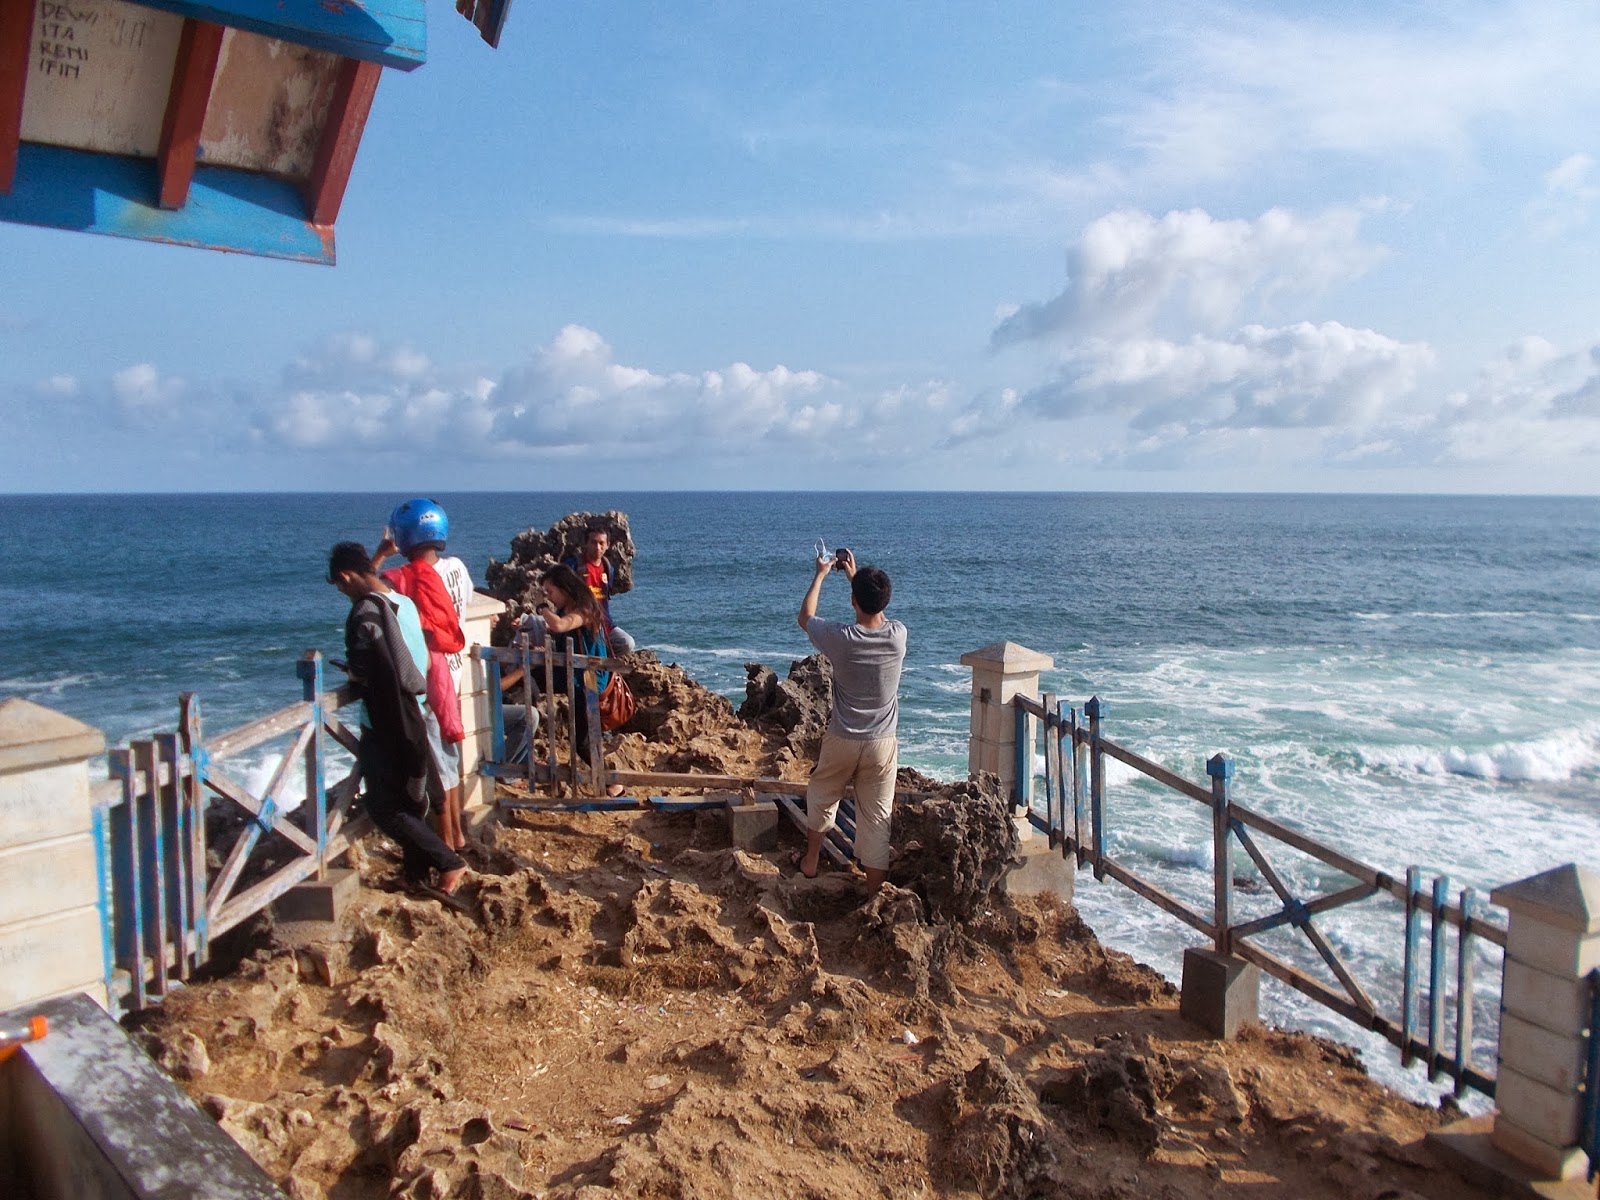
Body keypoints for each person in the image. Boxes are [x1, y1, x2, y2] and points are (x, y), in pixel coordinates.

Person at [327, 542, 467, 894]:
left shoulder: (364, 612)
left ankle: (449, 862)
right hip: (417, 707)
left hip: (386, 719)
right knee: (411, 801)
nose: (343, 594)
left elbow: (364, 668)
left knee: (384, 806)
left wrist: (354, 675)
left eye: (341, 586)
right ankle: (415, 875)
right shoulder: (404, 604)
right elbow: (415, 659)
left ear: (345, 576)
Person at [795, 547, 907, 891]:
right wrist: (853, 577)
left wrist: (821, 573)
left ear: (853, 600)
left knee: (823, 792)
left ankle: (811, 861)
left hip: (843, 736)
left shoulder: (842, 638)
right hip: (881, 743)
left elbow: (806, 616)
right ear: (884, 600)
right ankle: (875, 891)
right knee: (876, 817)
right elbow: (877, 613)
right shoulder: (898, 636)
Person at [372, 499, 473, 851]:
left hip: (430, 677)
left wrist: (382, 553)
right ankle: (458, 832)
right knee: (451, 758)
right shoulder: (458, 568)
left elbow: (366, 588)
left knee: (436, 766)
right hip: (455, 671)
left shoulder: (403, 578)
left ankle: (446, 840)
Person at [532, 563, 625, 797]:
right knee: (582, 737)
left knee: (582, 740)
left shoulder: (585, 610)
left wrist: (541, 606)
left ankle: (614, 785)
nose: (549, 598)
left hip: (589, 681)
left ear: (565, 589)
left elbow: (560, 626)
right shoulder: (569, 610)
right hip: (575, 677)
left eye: (551, 592)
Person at [562, 523, 635, 654]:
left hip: (604, 624)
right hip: (580, 625)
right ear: (586, 543)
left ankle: (603, 667)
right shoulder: (573, 566)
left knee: (627, 643)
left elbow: (606, 597)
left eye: (602, 543)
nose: (597, 547)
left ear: (607, 545)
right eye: (593, 542)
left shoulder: (608, 568)